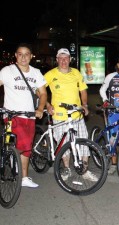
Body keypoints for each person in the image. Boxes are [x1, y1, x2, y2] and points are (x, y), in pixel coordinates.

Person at [44, 48, 97, 181]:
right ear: (57, 60)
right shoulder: (50, 74)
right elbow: (39, 91)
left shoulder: (76, 73)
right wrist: (47, 105)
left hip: (76, 115)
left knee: (84, 141)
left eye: (66, 58)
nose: (63, 61)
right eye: (60, 58)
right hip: (59, 116)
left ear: (69, 59)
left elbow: (83, 91)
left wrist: (84, 105)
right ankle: (67, 169)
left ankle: (84, 171)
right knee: (63, 144)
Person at [0, 43, 47, 188]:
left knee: (26, 147)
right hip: (10, 114)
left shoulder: (36, 72)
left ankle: (21, 172)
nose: (23, 57)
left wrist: (40, 108)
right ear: (15, 55)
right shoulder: (7, 71)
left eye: (26, 54)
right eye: (20, 54)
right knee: (21, 143)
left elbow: (43, 93)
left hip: (29, 115)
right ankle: (22, 174)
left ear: (31, 56)